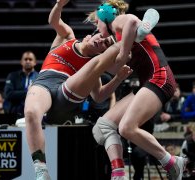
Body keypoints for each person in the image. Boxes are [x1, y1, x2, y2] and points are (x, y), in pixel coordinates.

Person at [24, 0, 134, 179]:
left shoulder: (93, 68)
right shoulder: (68, 36)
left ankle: (131, 34)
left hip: (67, 94)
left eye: (106, 44)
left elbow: (99, 96)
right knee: (30, 113)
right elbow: (54, 21)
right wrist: (59, 5)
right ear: (90, 36)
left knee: (95, 64)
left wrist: (118, 78)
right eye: (102, 39)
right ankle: (41, 170)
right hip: (44, 84)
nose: (102, 43)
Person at [88, 1, 187, 180]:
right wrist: (107, 68)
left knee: (126, 128)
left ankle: (172, 162)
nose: (96, 30)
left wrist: (124, 52)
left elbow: (133, 22)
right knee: (102, 127)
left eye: (96, 23)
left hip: (160, 77)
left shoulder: (117, 22)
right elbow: (99, 95)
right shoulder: (112, 44)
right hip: (148, 82)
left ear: (105, 17)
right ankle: (118, 173)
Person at [88, 0, 159, 64]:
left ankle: (142, 26)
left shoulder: (115, 22)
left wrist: (123, 54)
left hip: (157, 71)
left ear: (105, 16)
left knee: (134, 26)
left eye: (97, 23)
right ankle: (140, 29)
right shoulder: (119, 33)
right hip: (151, 66)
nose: (97, 28)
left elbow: (131, 20)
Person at [4, 50, 38, 118]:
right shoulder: (12, 76)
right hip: (15, 113)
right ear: (21, 62)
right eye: (25, 59)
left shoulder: (39, 77)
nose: (28, 61)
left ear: (35, 62)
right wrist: (29, 92)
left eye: (30, 59)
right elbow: (8, 94)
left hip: (34, 113)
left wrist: (18, 93)